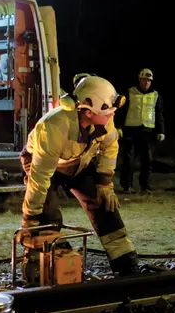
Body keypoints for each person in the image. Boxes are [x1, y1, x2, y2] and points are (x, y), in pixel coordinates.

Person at [19, 75, 140, 275]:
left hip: (78, 162)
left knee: (104, 205)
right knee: (46, 215)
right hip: (44, 165)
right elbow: (40, 179)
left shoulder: (104, 120)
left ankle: (125, 262)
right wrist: (30, 217)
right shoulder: (53, 128)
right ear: (89, 111)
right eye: (108, 111)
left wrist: (104, 184)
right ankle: (55, 266)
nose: (112, 116)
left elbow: (110, 147)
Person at [116, 68, 166, 193]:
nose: (146, 82)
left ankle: (145, 186)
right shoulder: (129, 93)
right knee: (128, 160)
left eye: (149, 80)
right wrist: (118, 127)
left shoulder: (155, 96)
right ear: (139, 80)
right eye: (144, 80)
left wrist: (161, 131)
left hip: (148, 132)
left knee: (147, 160)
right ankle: (127, 186)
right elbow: (121, 111)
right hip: (131, 130)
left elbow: (159, 114)